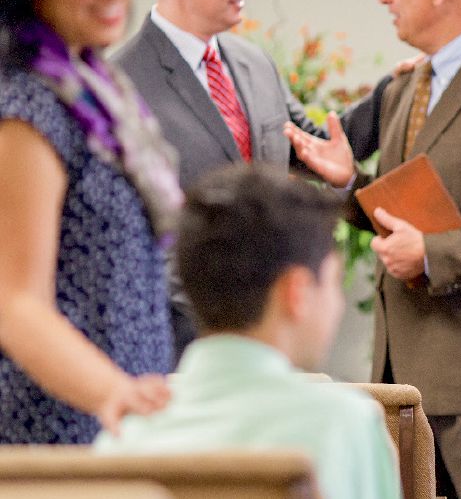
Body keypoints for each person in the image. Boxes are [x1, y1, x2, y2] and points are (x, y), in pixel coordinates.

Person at [285, 0, 461, 499]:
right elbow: (402, 208)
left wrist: (431, 253)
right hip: (399, 382)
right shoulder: (404, 88)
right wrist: (348, 184)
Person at [0, 0, 178, 443]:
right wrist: (114, 392)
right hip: (54, 433)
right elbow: (14, 304)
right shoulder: (23, 108)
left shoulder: (92, 84)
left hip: (114, 425)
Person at [95, 164, 402, 499]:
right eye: (332, 283)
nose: (338, 304)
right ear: (296, 292)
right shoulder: (346, 427)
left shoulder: (123, 436)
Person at [114, 0, 323, 359]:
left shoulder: (256, 64)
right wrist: (217, 319)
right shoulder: (121, 83)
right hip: (177, 344)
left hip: (272, 333)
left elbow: (308, 142)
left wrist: (396, 90)